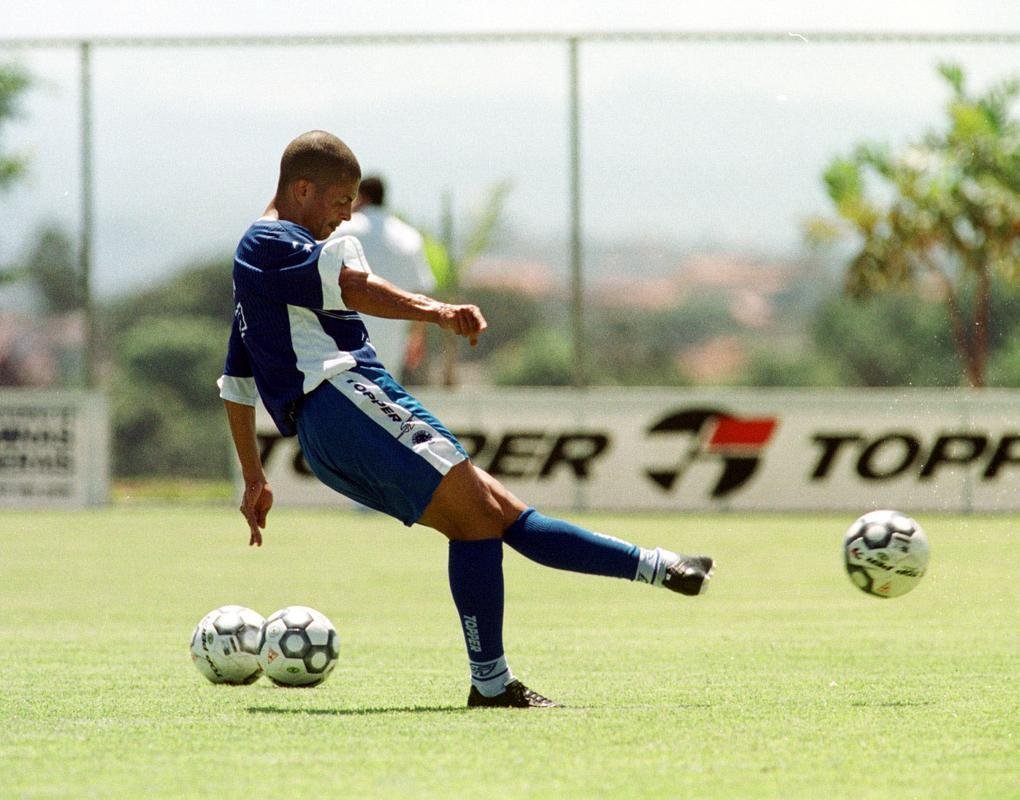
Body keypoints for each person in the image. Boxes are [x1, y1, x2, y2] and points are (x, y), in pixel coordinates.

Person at [218, 130, 714, 709]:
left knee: (503, 515)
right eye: (340, 201)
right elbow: (353, 287)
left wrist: (254, 477)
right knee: (477, 519)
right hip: (342, 399)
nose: (347, 215)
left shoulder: (258, 264)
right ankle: (492, 684)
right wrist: (438, 311)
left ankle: (661, 567)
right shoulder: (272, 241)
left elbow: (236, 381)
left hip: (336, 418)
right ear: (302, 190)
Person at [337, 175, 434, 381]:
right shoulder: (408, 236)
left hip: (344, 341)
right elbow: (421, 291)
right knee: (385, 396)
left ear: (360, 197)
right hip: (392, 343)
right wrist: (417, 337)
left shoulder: (342, 230)